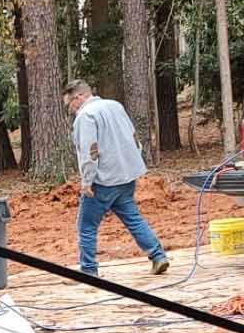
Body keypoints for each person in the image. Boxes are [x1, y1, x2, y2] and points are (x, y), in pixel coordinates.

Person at [64, 79, 170, 276]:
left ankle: (88, 270)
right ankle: (158, 256)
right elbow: (133, 137)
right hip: (126, 176)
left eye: (69, 103)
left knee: (86, 226)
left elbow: (90, 152)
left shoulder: (86, 116)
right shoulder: (115, 106)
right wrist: (134, 164)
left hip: (103, 180)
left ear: (78, 97)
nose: (70, 109)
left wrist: (87, 181)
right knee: (133, 218)